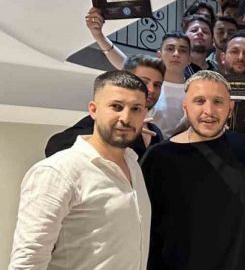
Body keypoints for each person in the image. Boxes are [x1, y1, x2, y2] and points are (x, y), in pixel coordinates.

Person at [9, 70, 151, 270]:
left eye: (136, 109)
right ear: (93, 110)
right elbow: (27, 262)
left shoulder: (133, 164)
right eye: (116, 107)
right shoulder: (57, 172)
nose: (126, 117)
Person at [141, 70, 245, 270]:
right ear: (185, 106)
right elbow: (145, 226)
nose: (209, 111)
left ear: (230, 108)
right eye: (199, 101)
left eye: (218, 101)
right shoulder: (158, 158)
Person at [45, 54, 166, 159]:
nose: (151, 89)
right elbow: (54, 147)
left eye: (157, 85)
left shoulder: (155, 133)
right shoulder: (99, 120)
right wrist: (114, 130)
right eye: (144, 82)